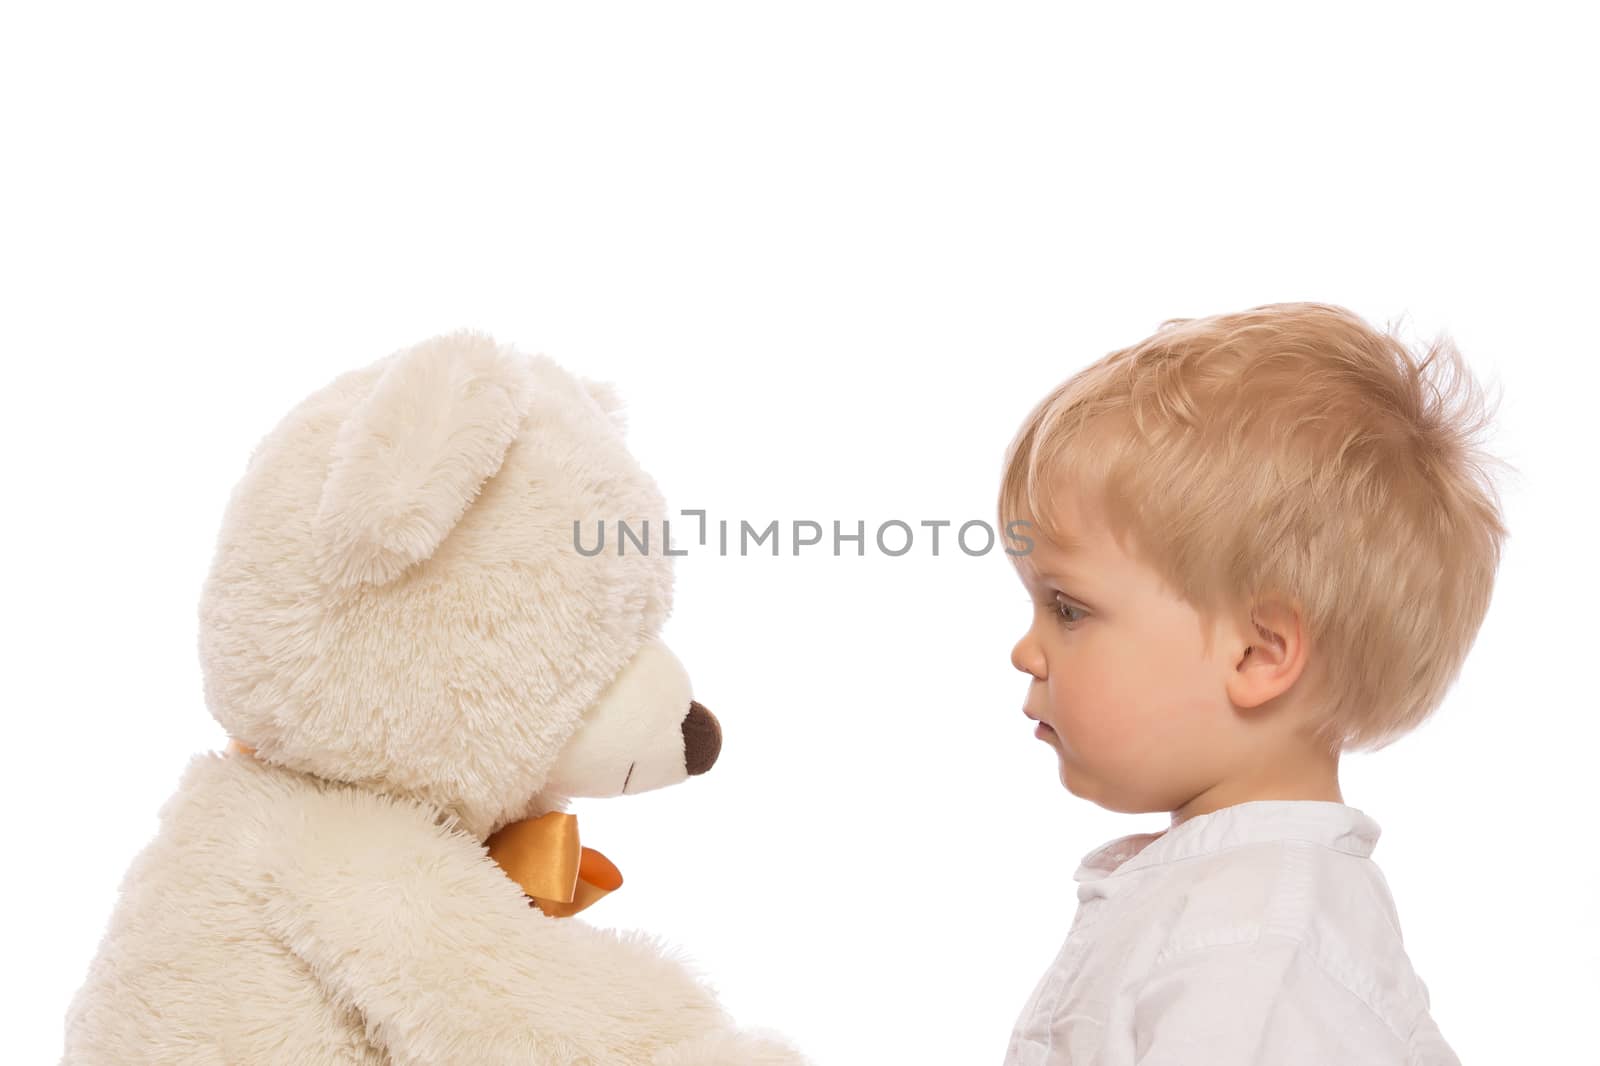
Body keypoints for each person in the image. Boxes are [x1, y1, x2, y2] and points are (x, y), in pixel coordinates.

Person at [997, 302, 1512, 1065]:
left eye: (1068, 609)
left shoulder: (1251, 953)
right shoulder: (1219, 910)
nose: (1025, 651)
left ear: (1258, 656)